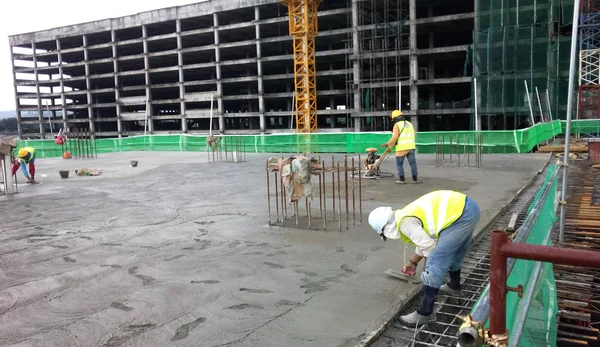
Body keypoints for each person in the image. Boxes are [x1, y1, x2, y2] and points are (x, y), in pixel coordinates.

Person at [368, 190, 480, 326]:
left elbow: (430, 248)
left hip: (459, 215)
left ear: (385, 229)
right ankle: (454, 286)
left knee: (436, 262)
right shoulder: (404, 215)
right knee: (455, 253)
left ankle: (425, 312)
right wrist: (413, 262)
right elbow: (424, 240)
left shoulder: (405, 224)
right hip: (467, 208)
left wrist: (429, 273)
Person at [381, 110, 419, 184]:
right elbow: (414, 135)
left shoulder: (397, 125)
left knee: (399, 164)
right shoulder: (409, 124)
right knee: (413, 164)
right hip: (411, 147)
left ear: (395, 118)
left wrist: (388, 144)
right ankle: (415, 179)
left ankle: (402, 179)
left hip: (401, 148)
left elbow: (394, 137)